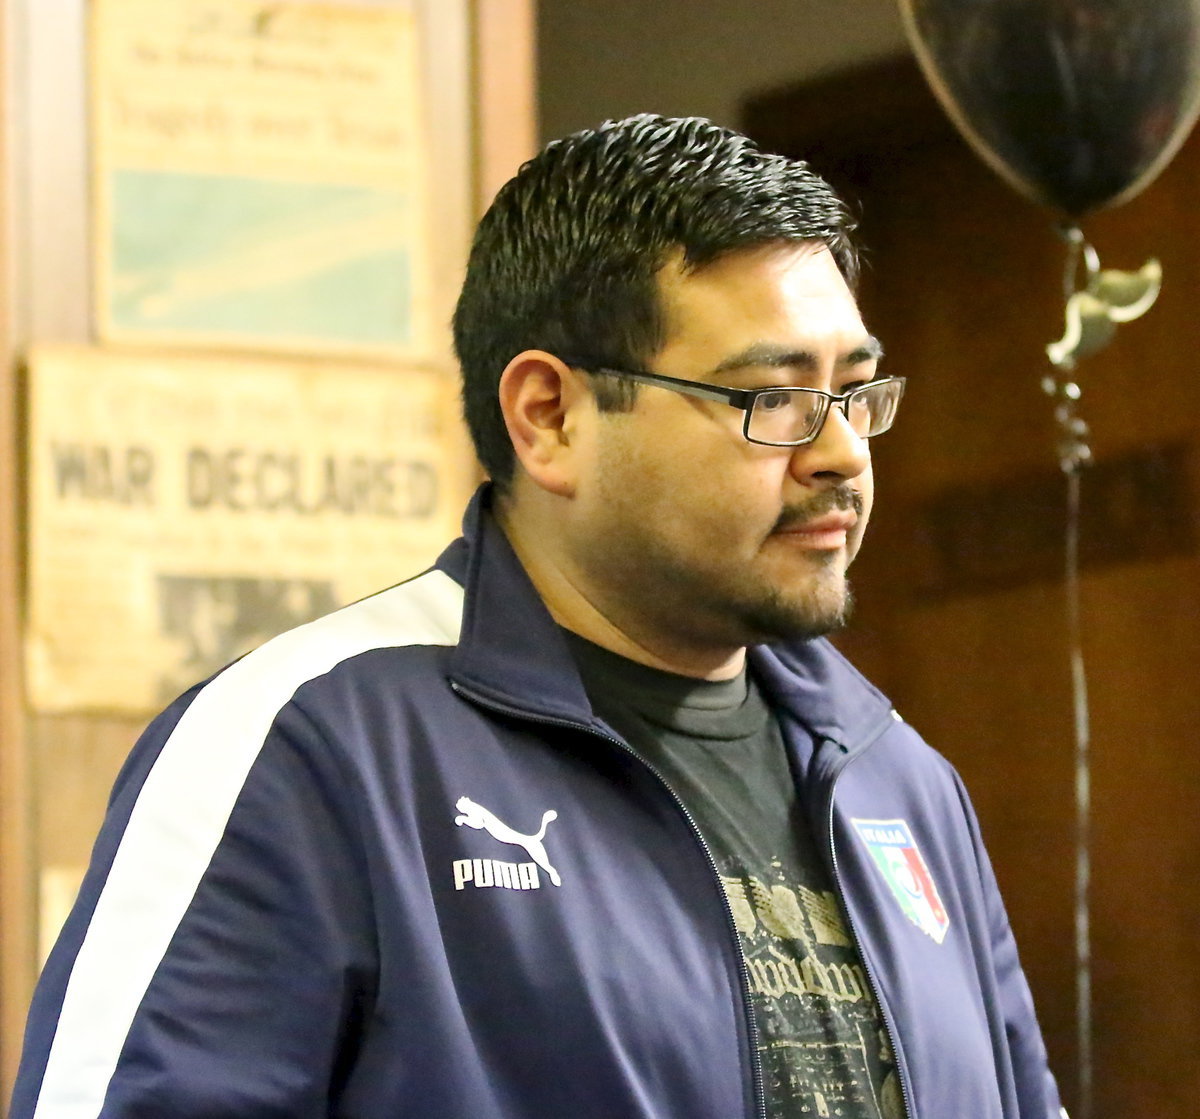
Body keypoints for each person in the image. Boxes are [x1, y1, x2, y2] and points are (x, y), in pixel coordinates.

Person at [11, 114, 1065, 1119]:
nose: (841, 454)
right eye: (773, 402)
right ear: (549, 417)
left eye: (858, 391)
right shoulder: (308, 754)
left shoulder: (899, 782)